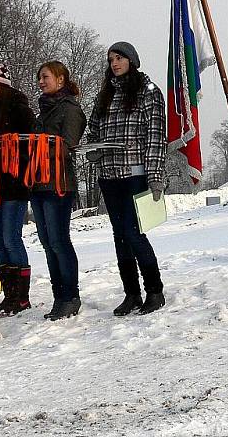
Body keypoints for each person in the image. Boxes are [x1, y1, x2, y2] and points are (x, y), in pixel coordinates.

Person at [88, 42, 167, 316]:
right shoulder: (104, 96)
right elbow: (93, 131)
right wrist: (94, 151)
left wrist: (156, 176)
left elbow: (156, 138)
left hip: (135, 174)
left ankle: (154, 290)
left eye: (119, 58)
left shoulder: (149, 93)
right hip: (109, 175)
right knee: (119, 235)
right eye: (111, 59)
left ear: (132, 60)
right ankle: (131, 293)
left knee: (134, 233)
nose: (114, 63)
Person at [30, 61, 87, 320]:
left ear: (61, 79)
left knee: (58, 241)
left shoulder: (70, 110)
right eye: (39, 77)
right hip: (38, 183)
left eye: (45, 77)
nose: (41, 82)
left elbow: (68, 145)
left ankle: (70, 295)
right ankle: (58, 296)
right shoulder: (42, 112)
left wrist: (40, 145)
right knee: (47, 243)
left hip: (58, 184)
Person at [0, 63, 35, 316]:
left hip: (14, 183)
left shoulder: (20, 112)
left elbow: (30, 147)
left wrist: (7, 152)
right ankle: (9, 294)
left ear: (3, 87)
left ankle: (21, 296)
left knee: (11, 238)